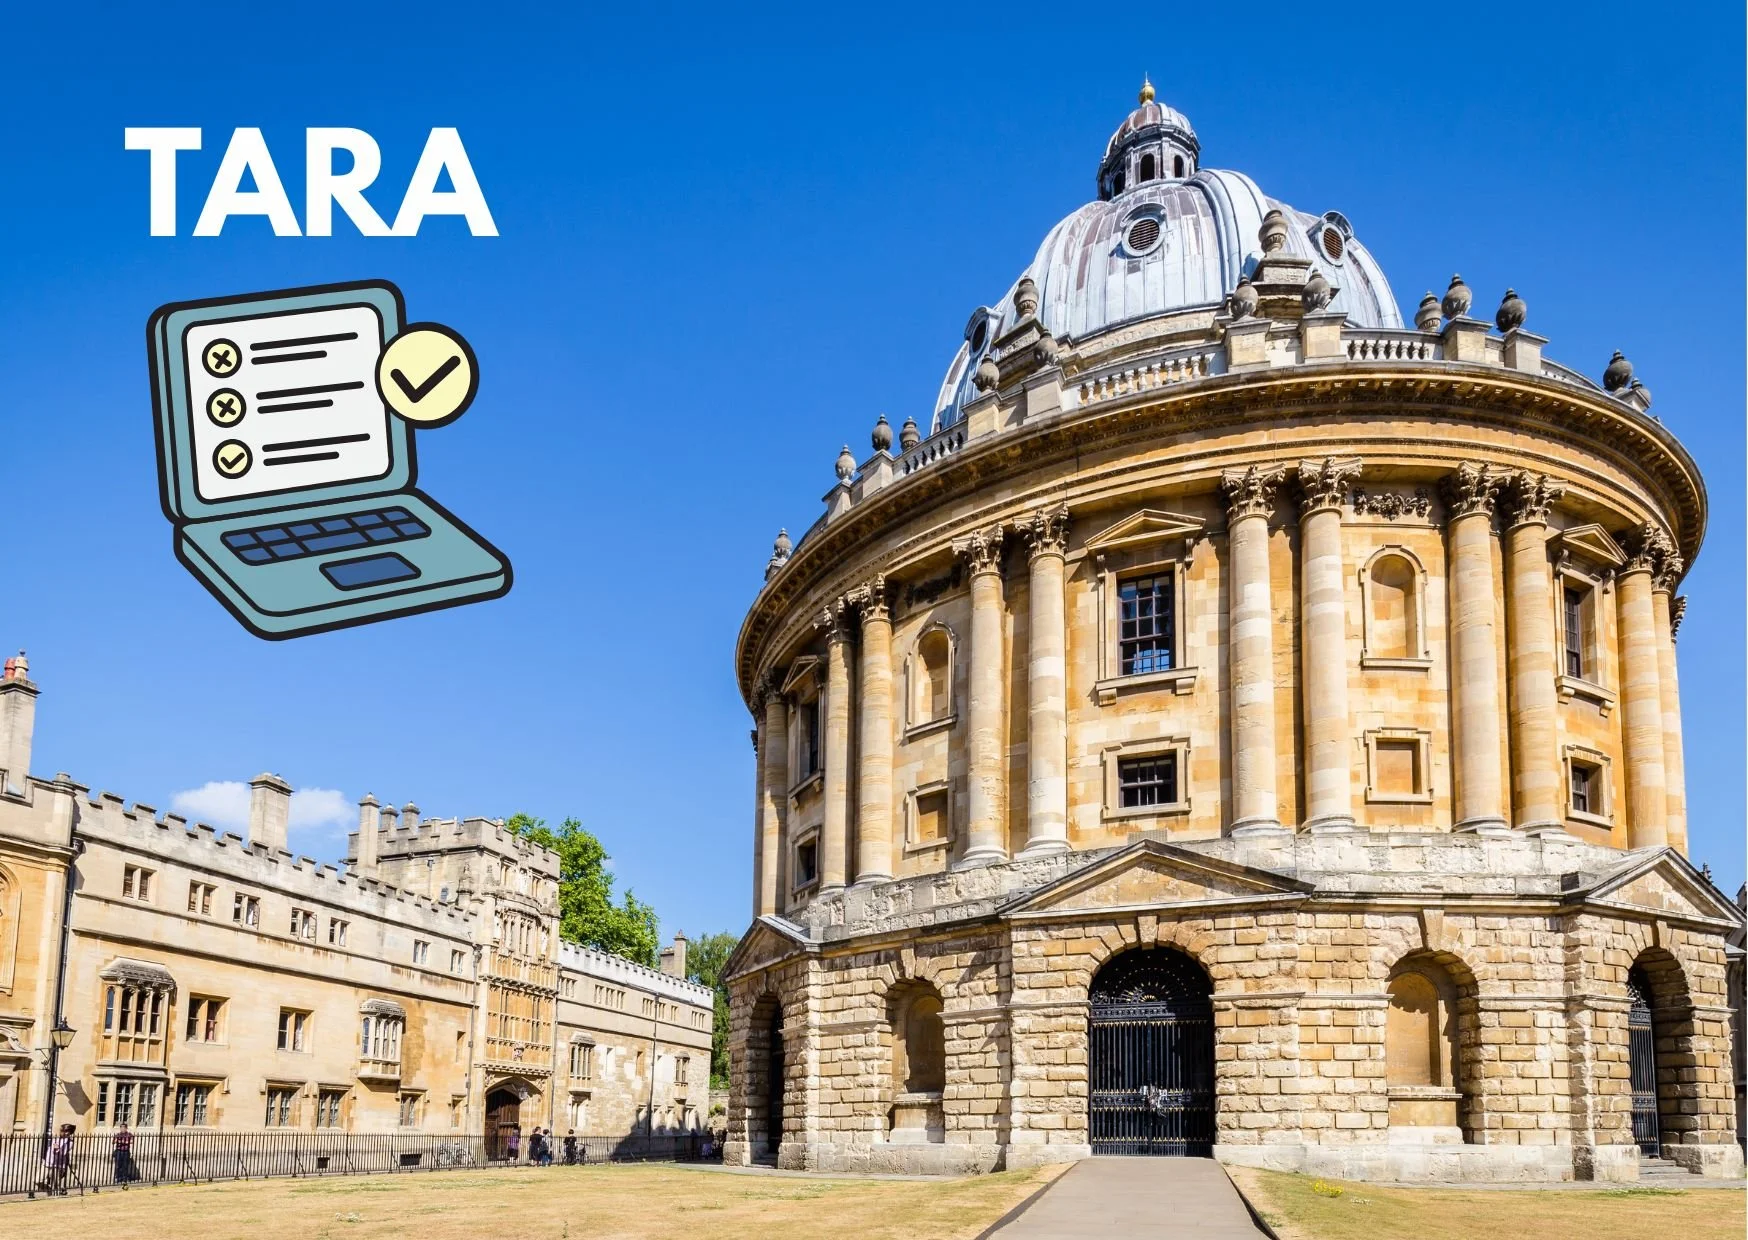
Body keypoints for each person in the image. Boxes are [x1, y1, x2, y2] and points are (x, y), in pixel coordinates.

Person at [39, 1123, 74, 1195]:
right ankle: (48, 1190)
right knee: (37, 1180)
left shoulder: (69, 1142)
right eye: (61, 1130)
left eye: (64, 1130)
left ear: (68, 1132)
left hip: (58, 1165)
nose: (61, 1132)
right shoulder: (56, 1138)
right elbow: (50, 1149)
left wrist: (58, 1149)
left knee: (54, 1184)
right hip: (48, 1162)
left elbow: (63, 1153)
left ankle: (54, 1195)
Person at [112, 1121, 136, 1185]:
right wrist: (123, 1142)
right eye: (121, 1128)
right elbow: (114, 1141)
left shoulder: (129, 1134)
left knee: (125, 1165)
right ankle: (118, 1178)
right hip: (119, 1151)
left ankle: (124, 1178)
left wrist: (121, 1142)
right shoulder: (118, 1135)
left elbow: (131, 1142)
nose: (122, 1129)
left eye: (124, 1128)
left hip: (126, 1151)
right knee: (118, 1165)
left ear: (126, 1128)